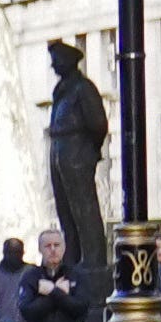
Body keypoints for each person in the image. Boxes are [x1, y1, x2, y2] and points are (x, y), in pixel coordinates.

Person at [44, 41, 111, 290]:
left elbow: (98, 125)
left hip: (76, 149)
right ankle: (73, 256)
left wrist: (87, 152)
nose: (53, 66)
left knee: (84, 207)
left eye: (57, 60)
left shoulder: (83, 88)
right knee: (65, 209)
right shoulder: (62, 89)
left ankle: (93, 260)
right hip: (60, 148)